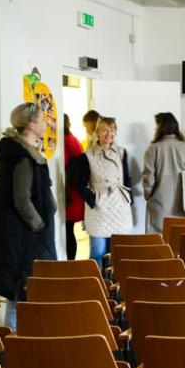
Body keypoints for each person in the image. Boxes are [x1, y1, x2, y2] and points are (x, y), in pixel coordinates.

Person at [0, 102, 57, 330]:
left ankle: (19, 341)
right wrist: (39, 224)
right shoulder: (23, 158)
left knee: (21, 295)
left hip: (20, 238)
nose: (45, 124)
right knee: (20, 295)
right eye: (42, 120)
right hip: (24, 239)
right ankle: (14, 344)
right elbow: (22, 199)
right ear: (31, 125)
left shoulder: (18, 153)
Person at [77, 117, 134, 269]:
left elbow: (127, 177)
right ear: (97, 133)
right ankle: (97, 282)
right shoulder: (87, 156)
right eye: (105, 130)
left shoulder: (121, 153)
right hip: (99, 209)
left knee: (118, 252)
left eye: (112, 130)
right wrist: (94, 200)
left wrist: (129, 198)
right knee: (98, 252)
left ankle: (116, 282)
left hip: (119, 206)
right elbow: (80, 184)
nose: (109, 133)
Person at [142, 112, 185, 234]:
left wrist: (148, 195)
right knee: (182, 241)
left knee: (161, 242)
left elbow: (148, 179)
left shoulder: (153, 149)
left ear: (161, 127)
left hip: (160, 206)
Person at [63, 114, 85, 260]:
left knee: (68, 230)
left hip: (71, 193)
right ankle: (70, 261)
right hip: (72, 192)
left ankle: (70, 262)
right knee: (68, 230)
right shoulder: (71, 140)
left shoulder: (68, 141)